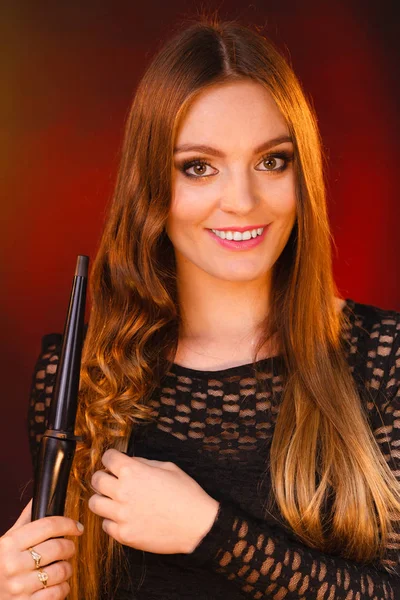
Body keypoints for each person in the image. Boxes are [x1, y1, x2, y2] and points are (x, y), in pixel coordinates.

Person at [1, 14, 399, 600]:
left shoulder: (383, 356)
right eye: (199, 167)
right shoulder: (80, 375)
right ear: (151, 187)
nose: (241, 200)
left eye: (271, 161)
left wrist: (211, 532)